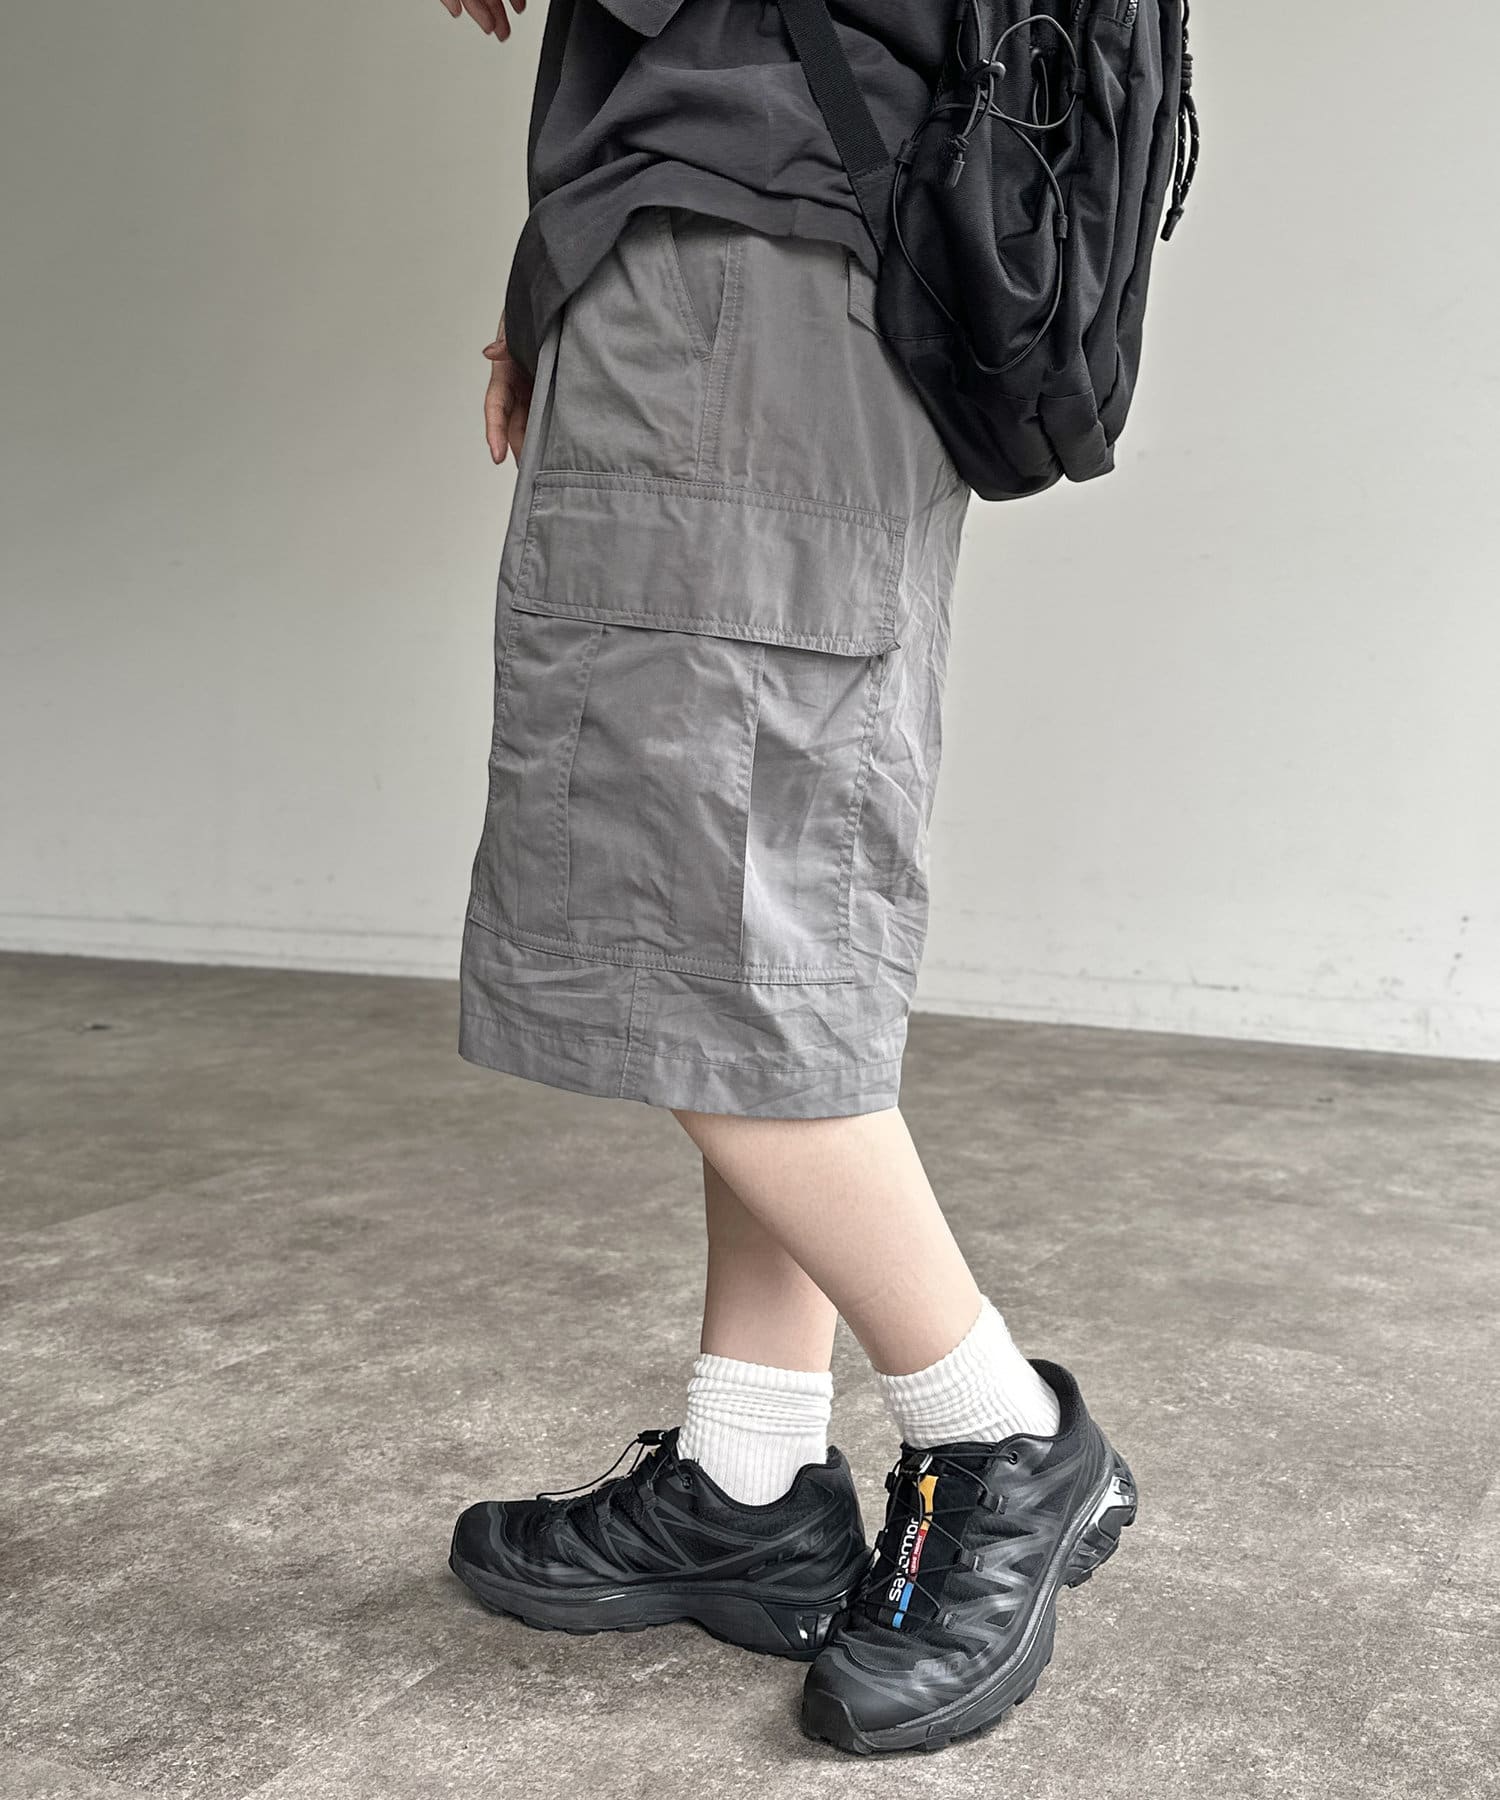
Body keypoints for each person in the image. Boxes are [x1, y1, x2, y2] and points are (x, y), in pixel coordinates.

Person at [436, 0, 1136, 1755]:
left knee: (684, 920)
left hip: (750, 264)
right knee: (760, 921)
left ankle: (998, 1432)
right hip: (815, 256)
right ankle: (750, 1477)